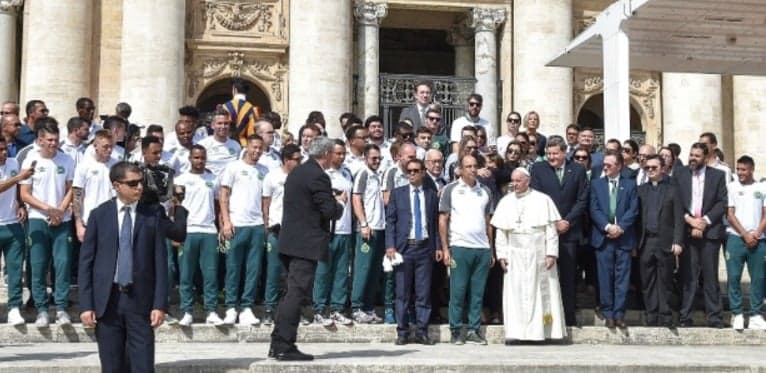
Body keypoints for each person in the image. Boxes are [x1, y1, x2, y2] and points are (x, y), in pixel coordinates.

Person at [78, 161, 168, 372]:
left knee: (143, 365)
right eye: (133, 183)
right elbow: (86, 262)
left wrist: (160, 303)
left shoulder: (152, 215)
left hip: (140, 301)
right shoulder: (99, 215)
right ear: (117, 185)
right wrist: (86, 304)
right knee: (112, 366)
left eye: (141, 182)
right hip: (107, 301)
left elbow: (161, 263)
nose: (139, 187)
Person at [269, 137, 345, 361]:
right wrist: (339, 202)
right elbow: (329, 211)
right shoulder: (318, 175)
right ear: (326, 154)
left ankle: (277, 343)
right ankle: (284, 345)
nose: (335, 157)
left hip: (289, 241)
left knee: (289, 293)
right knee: (296, 294)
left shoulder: (298, 172)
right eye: (333, 153)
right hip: (304, 244)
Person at [492, 167, 565, 341]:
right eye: (513, 181)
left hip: (537, 253)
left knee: (539, 294)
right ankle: (517, 333)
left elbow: (551, 230)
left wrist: (551, 253)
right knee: (515, 294)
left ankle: (540, 332)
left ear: (528, 180)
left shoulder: (543, 200)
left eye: (518, 181)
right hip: (514, 255)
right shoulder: (506, 202)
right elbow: (501, 232)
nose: (514, 184)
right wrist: (502, 254)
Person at [20, 118, 76, 327]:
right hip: (38, 219)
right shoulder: (30, 161)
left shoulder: (67, 160)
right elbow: (25, 194)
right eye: (50, 140)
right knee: (38, 265)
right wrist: (48, 209)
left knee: (62, 264)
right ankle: (42, 310)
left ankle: (61, 308)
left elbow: (71, 188)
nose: (54, 143)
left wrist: (60, 209)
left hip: (62, 219)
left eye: (56, 140)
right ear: (40, 140)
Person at [530, 137, 588, 327]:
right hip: (546, 233)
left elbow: (582, 200)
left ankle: (568, 318)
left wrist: (567, 221)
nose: (551, 157)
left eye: (555, 153)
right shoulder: (539, 169)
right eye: (549, 153)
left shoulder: (577, 170)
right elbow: (536, 198)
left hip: (569, 233)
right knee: (546, 277)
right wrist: (553, 222)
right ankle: (546, 320)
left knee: (568, 277)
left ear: (564, 153)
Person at [440, 154, 494, 345]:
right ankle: (455, 330)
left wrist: (491, 249)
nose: (472, 169)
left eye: (474, 166)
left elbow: (488, 222)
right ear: (460, 169)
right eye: (468, 166)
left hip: (481, 248)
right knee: (458, 291)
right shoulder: (451, 190)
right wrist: (446, 248)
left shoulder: (485, 190)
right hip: (460, 247)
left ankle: (473, 329)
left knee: (477, 292)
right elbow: (443, 219)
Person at [386, 159, 441, 345]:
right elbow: (391, 221)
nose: (412, 174)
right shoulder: (398, 194)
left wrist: (438, 246)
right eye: (409, 171)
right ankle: (402, 331)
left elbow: (434, 223)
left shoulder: (431, 194)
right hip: (404, 248)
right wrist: (390, 245)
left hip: (425, 248)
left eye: (416, 171)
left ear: (423, 172)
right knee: (402, 293)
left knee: (423, 293)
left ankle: (422, 331)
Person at [673, 142, 728, 328]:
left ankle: (714, 317)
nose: (692, 158)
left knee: (710, 276)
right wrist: (689, 220)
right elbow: (675, 201)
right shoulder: (680, 174)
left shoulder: (718, 176)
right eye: (691, 154)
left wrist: (703, 221)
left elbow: (722, 203)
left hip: (709, 233)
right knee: (688, 276)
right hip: (687, 232)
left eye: (697, 156)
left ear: (705, 157)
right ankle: (685, 316)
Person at [219, 135, 269, 326]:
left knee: (253, 268)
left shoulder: (264, 170)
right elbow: (224, 195)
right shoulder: (233, 167)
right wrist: (226, 222)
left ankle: (247, 306)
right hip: (236, 224)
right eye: (254, 147)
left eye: (260, 149)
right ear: (247, 147)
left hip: (256, 225)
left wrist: (264, 224)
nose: (257, 151)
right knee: (233, 267)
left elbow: (266, 200)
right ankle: (231, 306)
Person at [174, 145, 224, 326]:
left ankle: (211, 310)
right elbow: (175, 207)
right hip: (189, 231)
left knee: (210, 274)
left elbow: (218, 205)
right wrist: (176, 232)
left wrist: (221, 227)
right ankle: (187, 311)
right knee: (186, 274)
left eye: (202, 158)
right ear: (190, 159)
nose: (199, 161)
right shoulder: (181, 179)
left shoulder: (213, 179)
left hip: (209, 231)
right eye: (196, 157)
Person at [589, 151, 639, 329]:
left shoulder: (630, 185)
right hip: (603, 238)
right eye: (604, 164)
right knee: (604, 278)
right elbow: (594, 209)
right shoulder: (596, 184)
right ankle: (607, 312)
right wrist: (608, 227)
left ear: (619, 166)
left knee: (622, 279)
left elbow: (633, 209)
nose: (605, 167)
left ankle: (619, 314)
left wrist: (620, 227)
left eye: (609, 165)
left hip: (623, 238)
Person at [636, 154, 683, 327]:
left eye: (654, 167)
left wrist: (678, 241)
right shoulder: (641, 190)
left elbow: (679, 218)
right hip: (646, 241)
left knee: (665, 280)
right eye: (647, 168)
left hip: (666, 242)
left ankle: (665, 315)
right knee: (647, 281)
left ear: (663, 168)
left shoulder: (672, 189)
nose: (650, 171)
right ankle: (651, 314)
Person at [313, 140, 355, 326]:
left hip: (345, 228)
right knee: (323, 271)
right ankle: (319, 308)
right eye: (338, 153)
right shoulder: (323, 174)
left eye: (343, 153)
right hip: (327, 229)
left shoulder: (347, 173)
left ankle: (337, 307)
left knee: (341, 271)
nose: (341, 156)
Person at [262, 144, 302, 325]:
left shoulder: (301, 178)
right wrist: (266, 226)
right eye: (297, 159)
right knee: (273, 271)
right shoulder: (272, 176)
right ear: (287, 160)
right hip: (276, 229)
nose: (300, 162)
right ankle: (270, 308)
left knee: (293, 274)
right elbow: (266, 203)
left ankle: (292, 309)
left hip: (295, 230)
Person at [725, 155, 766, 330]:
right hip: (736, 238)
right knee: (734, 277)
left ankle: (756, 314)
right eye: (738, 169)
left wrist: (756, 233)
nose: (740, 173)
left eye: (743, 169)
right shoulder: (731, 187)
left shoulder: (762, 187)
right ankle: (737, 313)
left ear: (751, 169)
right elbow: (730, 214)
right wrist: (744, 234)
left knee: (759, 278)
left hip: (759, 239)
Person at [350, 144, 387, 324]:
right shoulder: (363, 173)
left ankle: (368, 307)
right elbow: (356, 198)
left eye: (379, 158)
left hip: (380, 227)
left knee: (374, 270)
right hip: (367, 228)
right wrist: (363, 223)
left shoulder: (378, 175)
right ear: (365, 158)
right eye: (373, 158)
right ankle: (356, 307)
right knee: (363, 268)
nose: (377, 161)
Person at [0, 137, 33, 325]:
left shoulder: (13, 163)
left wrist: (21, 205)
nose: (5, 153)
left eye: (5, 149)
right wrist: (18, 177)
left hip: (13, 224)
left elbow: (20, 188)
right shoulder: (16, 172)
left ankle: (14, 307)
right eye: (0, 150)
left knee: (14, 269)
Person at [72, 130, 118, 243]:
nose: (109, 150)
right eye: (105, 147)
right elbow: (77, 195)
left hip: (112, 220)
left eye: (111, 146)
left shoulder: (117, 165)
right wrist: (78, 225)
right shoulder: (84, 166)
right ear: (95, 146)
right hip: (89, 221)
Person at [197, 109, 242, 176]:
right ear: (212, 125)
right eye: (219, 123)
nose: (223, 127)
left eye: (226, 123)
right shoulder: (203, 145)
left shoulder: (236, 145)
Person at [224, 78, 260, 146]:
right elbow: (252, 132)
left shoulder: (225, 106)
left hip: (226, 143)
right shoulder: (251, 108)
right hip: (243, 144)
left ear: (235, 90)